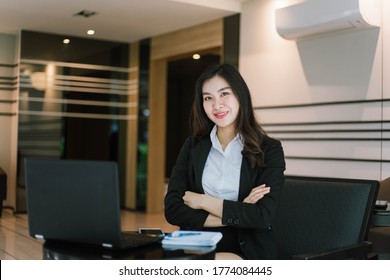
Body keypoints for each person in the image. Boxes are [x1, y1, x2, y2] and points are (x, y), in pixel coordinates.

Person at [164, 64, 286, 260]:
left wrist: (203, 201)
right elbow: (173, 210)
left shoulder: (269, 149)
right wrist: (239, 212)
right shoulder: (192, 146)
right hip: (197, 243)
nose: (216, 105)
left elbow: (261, 217)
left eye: (224, 94)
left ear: (240, 96)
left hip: (244, 247)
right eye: (208, 98)